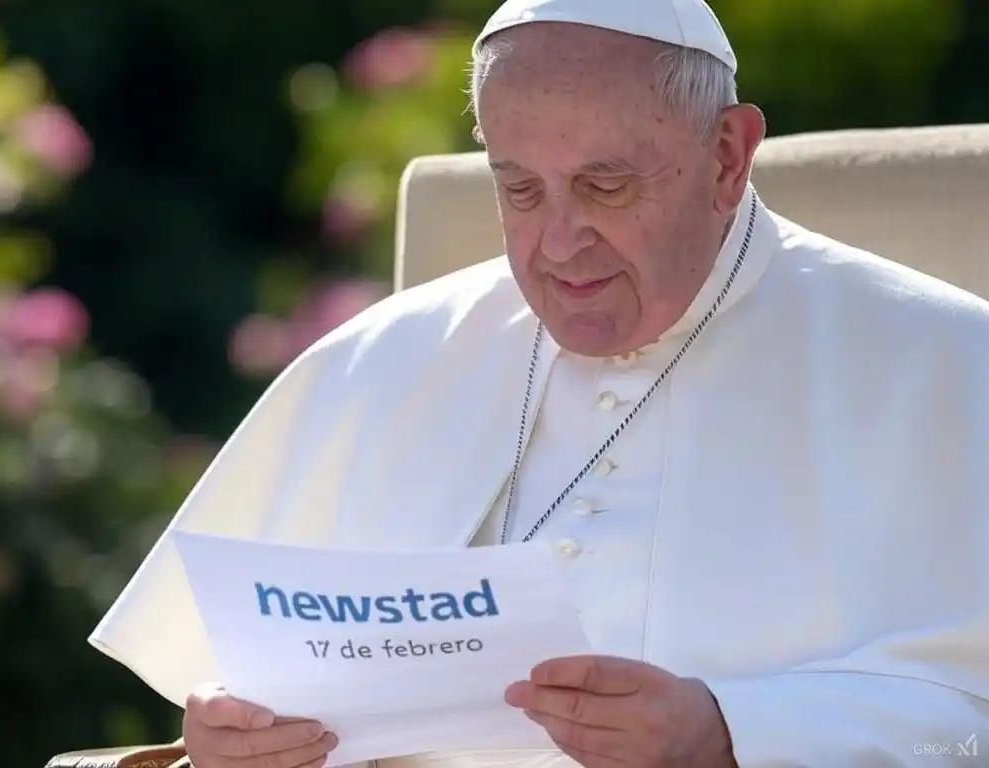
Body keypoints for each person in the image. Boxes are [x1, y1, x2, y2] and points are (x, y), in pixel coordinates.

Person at [87, 0, 989, 766]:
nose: (558, 246)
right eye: (520, 192)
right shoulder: (387, 359)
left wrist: (730, 734)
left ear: (727, 157)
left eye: (605, 186)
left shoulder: (946, 363)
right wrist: (229, 734)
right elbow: (233, 686)